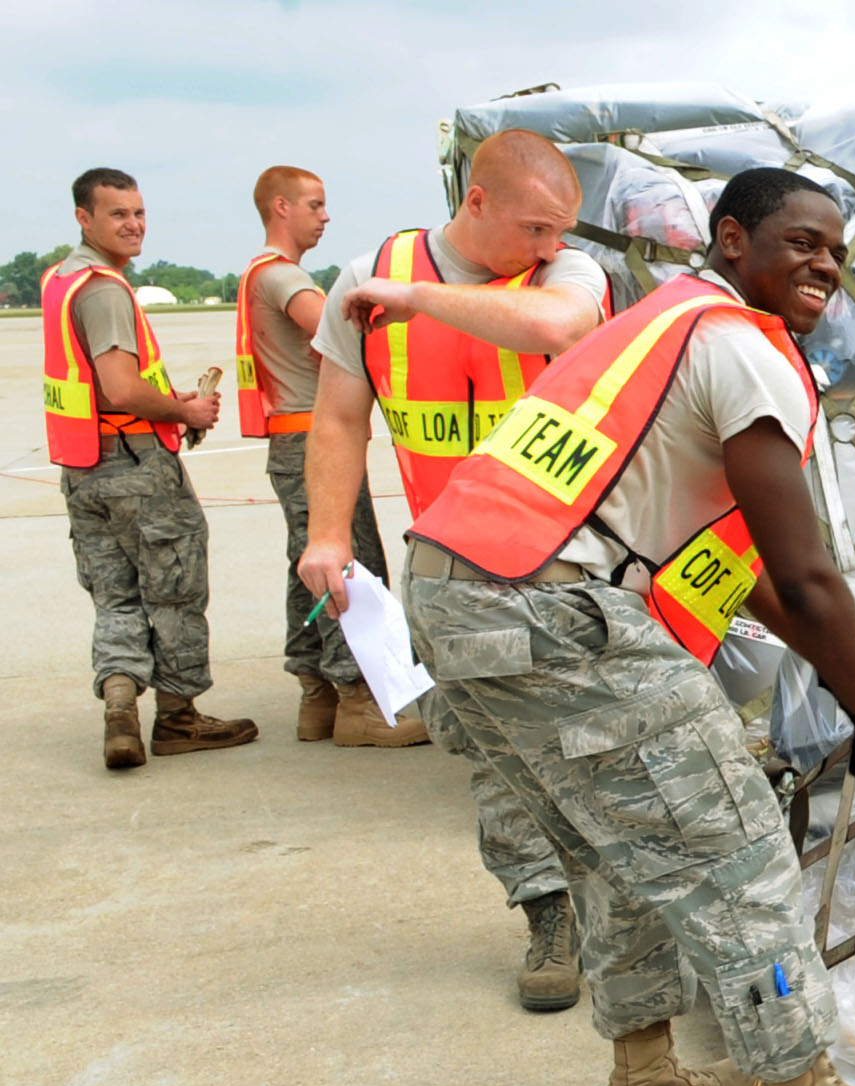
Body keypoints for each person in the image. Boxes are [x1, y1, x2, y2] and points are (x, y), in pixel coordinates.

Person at [308, 166, 855, 1086]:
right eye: (800, 241)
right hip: (547, 605)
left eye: (836, 252)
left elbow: (740, 571)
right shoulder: (737, 345)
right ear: (729, 242)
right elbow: (800, 573)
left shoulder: (658, 326)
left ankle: (651, 1083)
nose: (823, 266)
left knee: (617, 849)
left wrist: (842, 680)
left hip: (455, 591)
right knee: (739, 844)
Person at [299, 129, 610, 1012]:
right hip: (454, 563)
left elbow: (559, 325)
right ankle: (549, 914)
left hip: (572, 559)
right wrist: (329, 534)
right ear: (475, 202)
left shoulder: (564, 275)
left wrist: (418, 299)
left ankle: (618, 904)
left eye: (562, 230)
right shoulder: (365, 276)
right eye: (536, 228)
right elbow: (338, 419)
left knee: (592, 741)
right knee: (497, 752)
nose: (551, 247)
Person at [40, 167, 257, 771]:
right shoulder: (105, 289)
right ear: (84, 218)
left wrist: (169, 405)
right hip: (134, 464)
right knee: (175, 589)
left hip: (84, 467)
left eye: (138, 213)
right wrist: (182, 407)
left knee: (115, 598)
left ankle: (118, 708)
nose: (133, 225)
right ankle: (178, 718)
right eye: (118, 214)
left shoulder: (61, 279)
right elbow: (120, 387)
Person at [237, 165, 425, 747]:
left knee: (309, 570)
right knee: (349, 565)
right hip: (306, 436)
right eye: (315, 205)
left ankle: (316, 693)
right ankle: (360, 699)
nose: (325, 217)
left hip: (287, 437)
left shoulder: (256, 274)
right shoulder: (284, 277)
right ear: (280, 208)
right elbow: (337, 331)